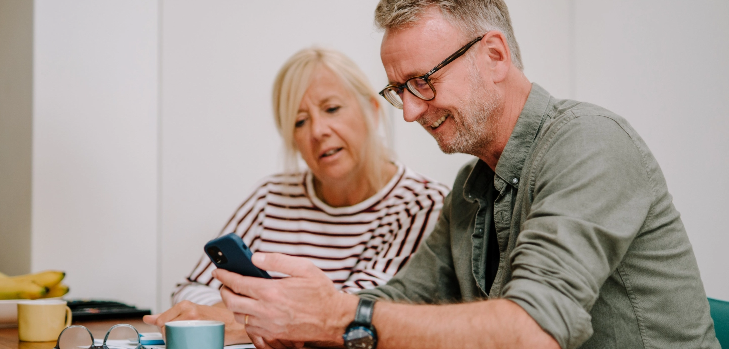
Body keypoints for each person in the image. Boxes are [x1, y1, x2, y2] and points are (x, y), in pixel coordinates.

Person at [213, 1, 720, 348]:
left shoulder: (592, 143)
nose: (409, 112)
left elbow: (533, 330)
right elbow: (398, 300)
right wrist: (301, 318)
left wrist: (337, 318)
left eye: (422, 82)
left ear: (494, 56)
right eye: (399, 91)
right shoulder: (470, 189)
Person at [143, 47, 449, 345]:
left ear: (372, 108)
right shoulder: (272, 196)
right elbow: (192, 288)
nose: (317, 131)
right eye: (299, 121)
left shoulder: (421, 205)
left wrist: (240, 320)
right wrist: (257, 321)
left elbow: (357, 316)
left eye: (331, 109)